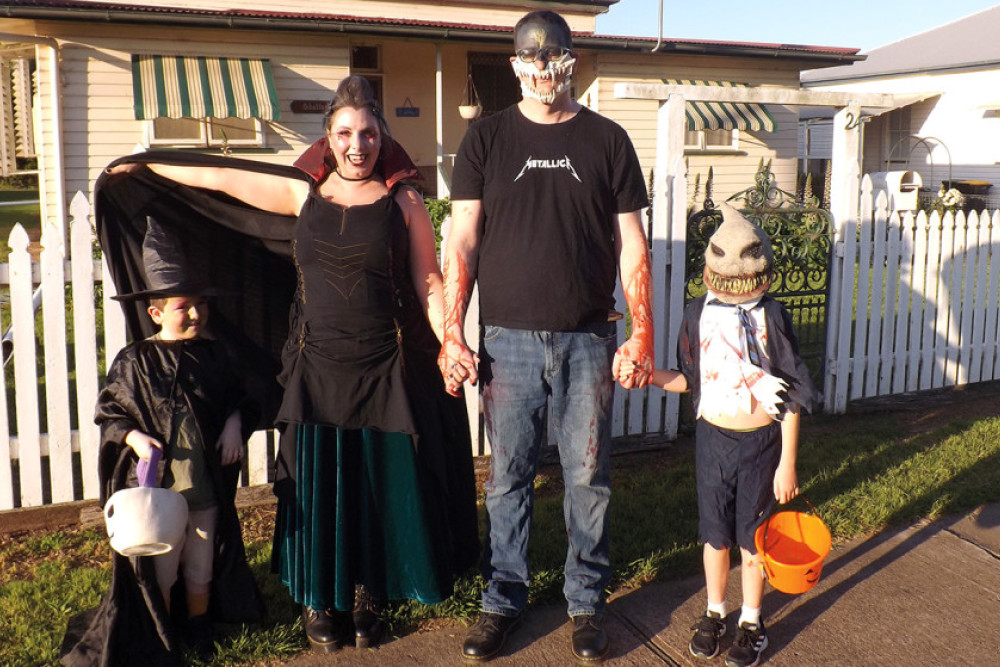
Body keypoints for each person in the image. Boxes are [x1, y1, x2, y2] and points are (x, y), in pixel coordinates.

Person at [95, 75, 480, 654]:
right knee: (317, 487)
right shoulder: (304, 194)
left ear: (383, 138)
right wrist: (148, 167)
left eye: (369, 133)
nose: (358, 144)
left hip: (382, 367)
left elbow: (430, 280)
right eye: (346, 133)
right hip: (317, 368)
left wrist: (450, 339)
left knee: (374, 485)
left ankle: (369, 593)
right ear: (327, 139)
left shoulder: (405, 203)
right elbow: (222, 177)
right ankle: (319, 600)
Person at [439, 10, 654, 664]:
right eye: (529, 62)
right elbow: (463, 240)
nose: (541, 73)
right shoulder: (486, 141)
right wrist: (452, 331)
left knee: (588, 475)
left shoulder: (608, 140)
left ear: (572, 63)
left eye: (553, 60)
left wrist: (641, 330)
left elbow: (631, 247)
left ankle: (586, 601)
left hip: (590, 339)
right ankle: (503, 596)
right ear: (514, 67)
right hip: (508, 342)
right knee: (507, 476)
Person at [620, 204, 820, 667]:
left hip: (761, 446)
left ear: (763, 275)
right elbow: (691, 380)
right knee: (714, 535)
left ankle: (752, 620)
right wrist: (649, 376)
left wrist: (787, 462)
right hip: (712, 441)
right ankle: (715, 611)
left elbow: (790, 394)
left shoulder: (772, 319)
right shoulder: (697, 315)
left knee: (754, 540)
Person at [60, 219, 264, 665]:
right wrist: (134, 437)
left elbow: (240, 397)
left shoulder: (214, 355)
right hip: (159, 495)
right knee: (164, 568)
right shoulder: (135, 361)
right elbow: (111, 413)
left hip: (204, 489)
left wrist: (233, 423)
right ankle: (164, 629)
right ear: (156, 313)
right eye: (183, 307)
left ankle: (199, 627)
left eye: (200, 305)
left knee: (201, 565)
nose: (196, 314)